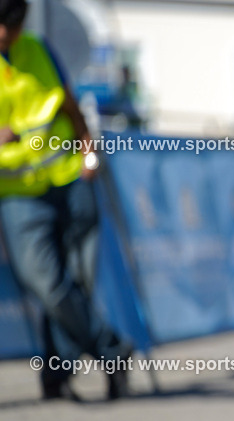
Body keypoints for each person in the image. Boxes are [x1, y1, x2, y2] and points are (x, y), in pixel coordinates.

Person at [0, 0, 131, 399]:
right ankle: (112, 350)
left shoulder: (38, 50)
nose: (7, 34)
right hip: (18, 193)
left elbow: (71, 106)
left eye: (13, 25)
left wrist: (89, 155)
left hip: (69, 178)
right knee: (47, 283)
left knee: (76, 284)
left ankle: (57, 376)